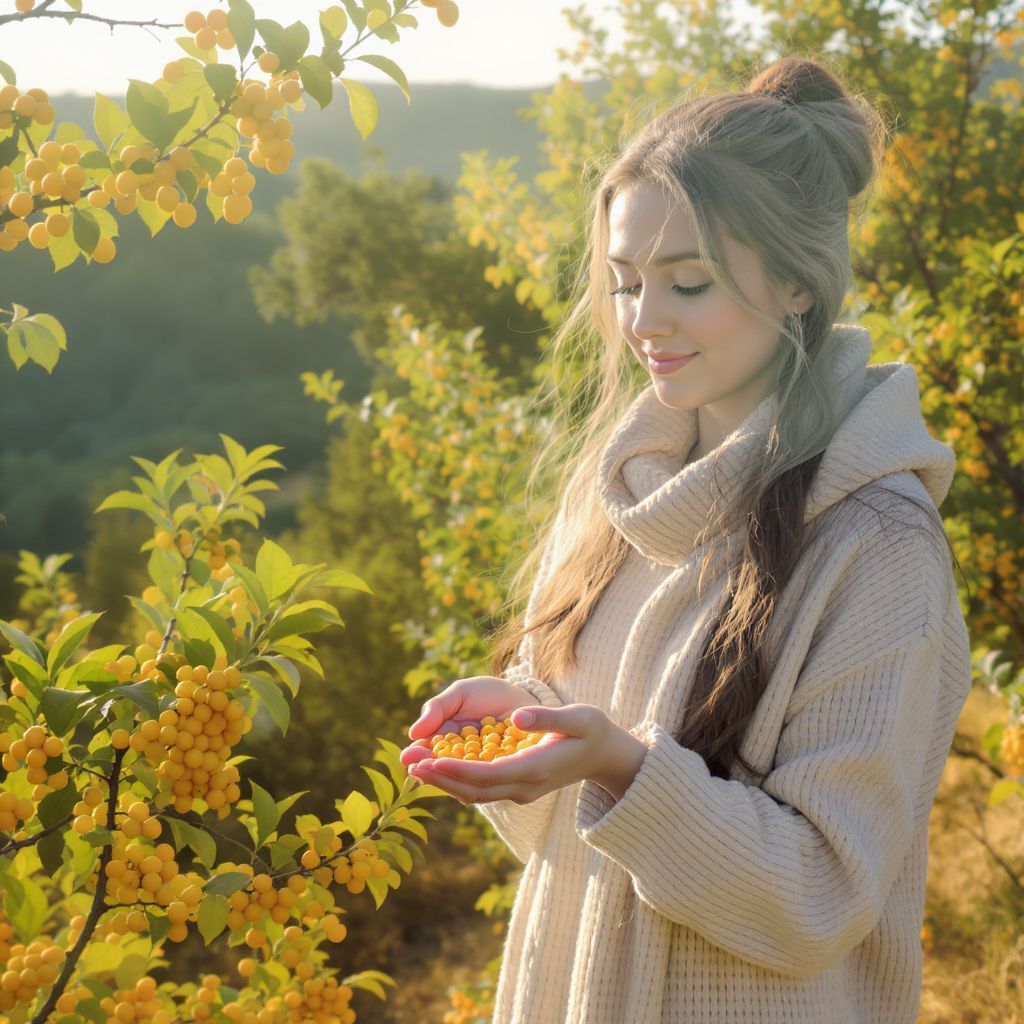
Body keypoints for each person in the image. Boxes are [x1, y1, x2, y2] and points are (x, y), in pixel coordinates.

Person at [400, 54, 973, 1024]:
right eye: (625, 283)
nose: (643, 321)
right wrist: (530, 727)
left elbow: (819, 895)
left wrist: (616, 764)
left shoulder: (876, 542)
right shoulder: (615, 493)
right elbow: (579, 830)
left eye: (688, 281)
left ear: (797, 280)